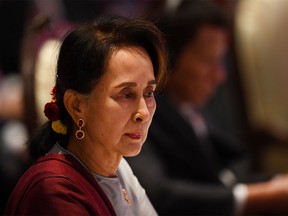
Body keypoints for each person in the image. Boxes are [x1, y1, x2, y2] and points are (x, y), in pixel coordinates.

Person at [126, 1, 288, 215]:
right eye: (208, 60)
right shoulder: (141, 115)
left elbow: (226, 171)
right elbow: (158, 194)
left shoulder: (191, 104)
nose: (220, 75)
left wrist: (276, 182)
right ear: (168, 60)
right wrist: (260, 197)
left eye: (220, 60)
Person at [5, 15, 168, 215]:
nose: (143, 112)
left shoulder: (119, 168)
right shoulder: (54, 191)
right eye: (126, 94)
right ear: (77, 106)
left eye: (149, 93)